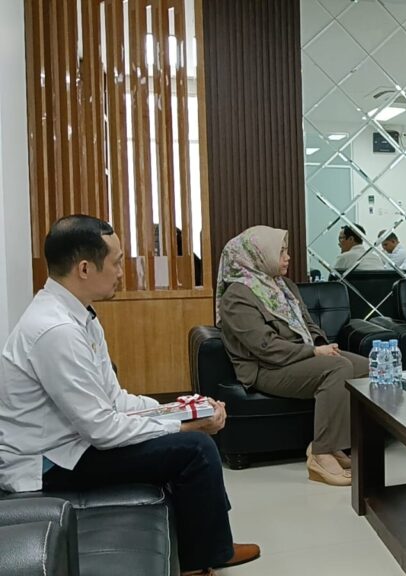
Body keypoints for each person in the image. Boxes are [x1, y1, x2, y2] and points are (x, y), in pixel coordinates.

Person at [0, 215, 259, 576]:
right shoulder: (55, 331)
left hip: (70, 446)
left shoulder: (79, 317)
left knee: (189, 441)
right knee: (194, 449)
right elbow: (103, 430)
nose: (122, 272)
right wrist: (182, 428)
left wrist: (183, 409)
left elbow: (116, 400)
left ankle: (213, 546)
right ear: (85, 268)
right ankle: (203, 558)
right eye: (117, 262)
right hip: (47, 464)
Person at [216, 226, 370, 487]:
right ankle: (321, 454)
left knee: (367, 368)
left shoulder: (283, 286)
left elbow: (308, 324)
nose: (287, 257)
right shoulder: (237, 296)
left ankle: (334, 443)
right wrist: (314, 352)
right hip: (268, 368)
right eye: (281, 252)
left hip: (301, 356)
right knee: (338, 368)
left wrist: (321, 344)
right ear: (258, 255)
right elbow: (265, 347)